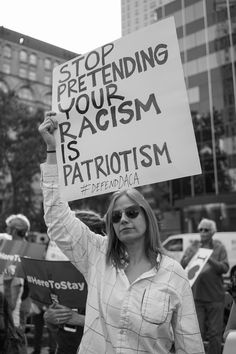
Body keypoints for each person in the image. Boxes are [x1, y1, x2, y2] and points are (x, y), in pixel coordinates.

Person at [38, 111, 205, 354]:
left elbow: (189, 344)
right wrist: (53, 151)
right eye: (116, 216)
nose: (124, 219)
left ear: (147, 216)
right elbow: (56, 218)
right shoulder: (97, 255)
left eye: (132, 212)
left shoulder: (173, 273)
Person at [43, 209, 106, 354]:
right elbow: (56, 324)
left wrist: (80, 320)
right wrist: (49, 318)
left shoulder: (109, 274)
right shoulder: (61, 274)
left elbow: (122, 324)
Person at [181, 218, 229, 354]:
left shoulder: (219, 247)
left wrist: (209, 258)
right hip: (196, 298)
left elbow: (225, 268)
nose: (202, 232)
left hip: (215, 298)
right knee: (197, 334)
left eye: (206, 230)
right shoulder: (193, 247)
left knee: (215, 334)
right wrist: (188, 258)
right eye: (200, 229)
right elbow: (182, 265)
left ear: (213, 232)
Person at [3, 214, 32, 354]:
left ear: (14, 231)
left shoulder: (16, 251)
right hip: (18, 300)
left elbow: (19, 284)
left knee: (15, 338)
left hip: (18, 302)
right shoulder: (25, 248)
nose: (6, 230)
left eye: (8, 228)